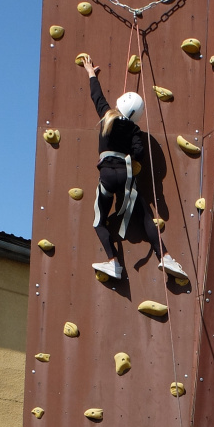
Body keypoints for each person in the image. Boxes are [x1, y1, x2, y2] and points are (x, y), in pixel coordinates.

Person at [80, 53, 186, 283]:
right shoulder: (135, 130)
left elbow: (96, 96)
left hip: (107, 176)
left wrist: (90, 73)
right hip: (126, 176)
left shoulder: (107, 117)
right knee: (145, 216)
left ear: (120, 104)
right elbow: (139, 153)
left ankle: (113, 261)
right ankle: (165, 257)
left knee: (99, 221)